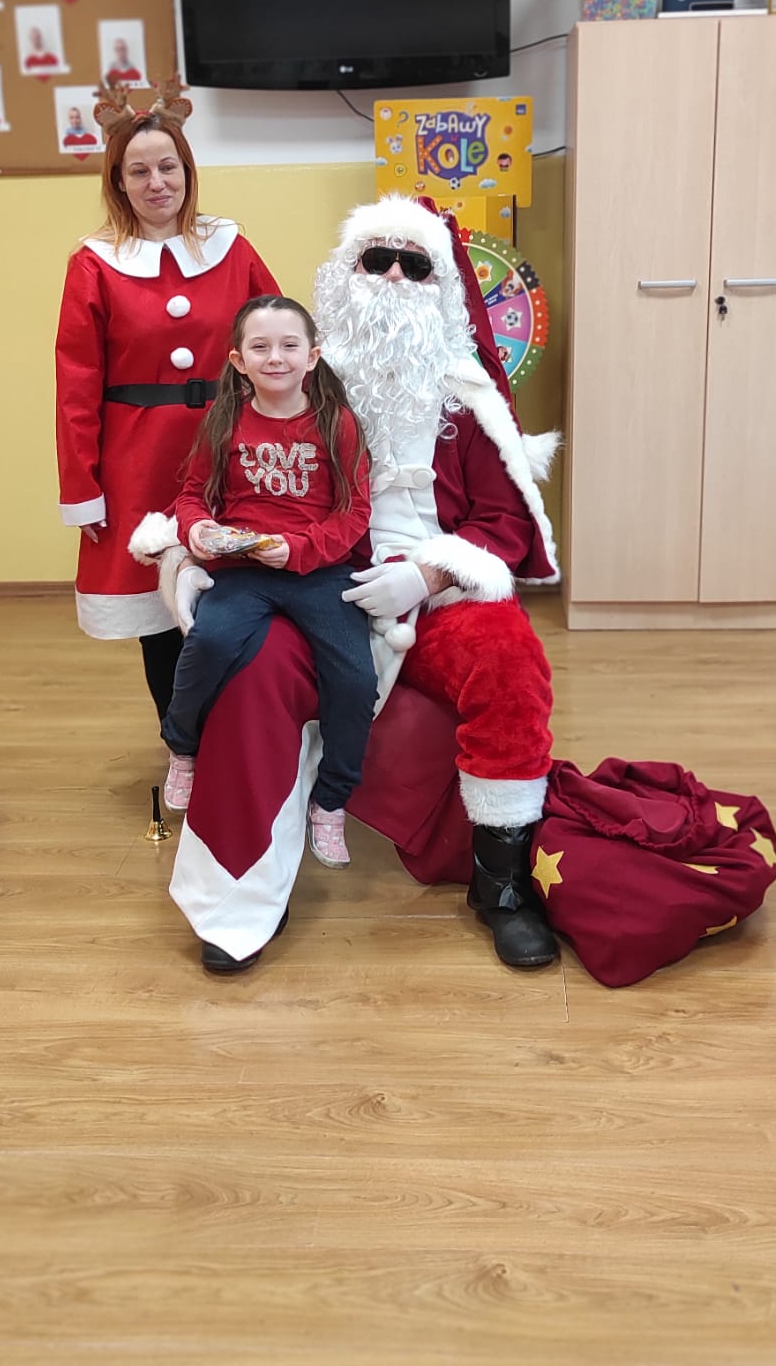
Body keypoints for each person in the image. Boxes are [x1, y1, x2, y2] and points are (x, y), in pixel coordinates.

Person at [152, 193, 562, 977]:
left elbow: (503, 521)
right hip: (308, 575)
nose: (395, 278)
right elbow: (218, 480)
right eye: (377, 260)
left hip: (433, 591)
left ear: (441, 285)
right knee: (248, 671)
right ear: (346, 275)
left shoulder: (466, 393)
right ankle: (237, 891)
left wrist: (428, 573)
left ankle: (502, 887)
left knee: (509, 657)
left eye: (414, 264)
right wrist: (192, 552)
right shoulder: (297, 373)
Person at [54, 76, 279, 724]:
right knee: (161, 612)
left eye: (168, 166)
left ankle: (247, 741)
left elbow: (277, 343)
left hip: (230, 448)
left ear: (187, 171)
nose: (157, 183)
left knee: (241, 597)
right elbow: (75, 385)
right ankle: (183, 741)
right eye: (139, 171)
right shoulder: (95, 264)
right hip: (138, 462)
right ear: (119, 182)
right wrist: (83, 489)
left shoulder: (231, 248)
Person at [157, 297, 377, 866]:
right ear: (238, 360)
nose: (275, 357)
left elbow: (354, 513)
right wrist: (197, 529)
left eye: (288, 346)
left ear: (312, 357)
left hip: (319, 570)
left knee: (355, 678)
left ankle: (331, 801)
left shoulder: (337, 423)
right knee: (209, 643)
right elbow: (191, 496)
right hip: (243, 570)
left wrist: (299, 550)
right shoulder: (223, 420)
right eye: (260, 347)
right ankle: (182, 747)